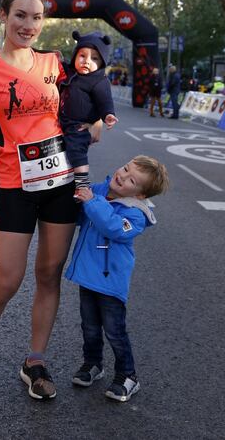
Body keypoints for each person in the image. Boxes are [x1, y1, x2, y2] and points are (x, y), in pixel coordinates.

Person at [0, 0, 102, 400]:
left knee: (48, 275)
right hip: (15, 185)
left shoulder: (54, 64)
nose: (29, 25)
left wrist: (91, 128)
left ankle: (35, 360)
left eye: (37, 17)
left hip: (60, 185)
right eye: (20, 15)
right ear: (3, 16)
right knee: (8, 279)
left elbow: (80, 110)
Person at [65, 155, 169, 402]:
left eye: (131, 179)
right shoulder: (101, 190)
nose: (121, 176)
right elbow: (82, 211)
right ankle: (93, 364)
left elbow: (112, 226)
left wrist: (91, 202)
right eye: (124, 168)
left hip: (111, 283)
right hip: (89, 277)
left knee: (114, 331)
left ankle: (128, 375)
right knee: (89, 326)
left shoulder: (136, 214)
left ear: (141, 195)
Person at [59, 31, 118, 196]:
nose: (87, 61)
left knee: (77, 152)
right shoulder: (70, 72)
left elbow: (105, 101)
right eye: (82, 56)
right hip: (60, 120)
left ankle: (82, 185)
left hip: (80, 126)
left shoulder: (99, 81)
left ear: (102, 63)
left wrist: (108, 115)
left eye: (94, 58)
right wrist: (55, 57)